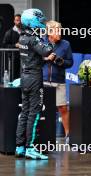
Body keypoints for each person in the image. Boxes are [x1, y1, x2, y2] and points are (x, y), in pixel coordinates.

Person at [15, 9, 54, 160]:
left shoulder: (23, 37)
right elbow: (46, 51)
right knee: (34, 113)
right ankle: (30, 148)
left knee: (24, 112)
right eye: (40, 20)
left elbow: (34, 55)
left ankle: (20, 147)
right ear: (33, 22)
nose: (42, 23)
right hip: (34, 78)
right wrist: (48, 39)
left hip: (24, 77)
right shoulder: (33, 38)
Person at [42, 20, 73, 143]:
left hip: (59, 81)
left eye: (60, 30)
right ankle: (45, 136)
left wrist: (61, 62)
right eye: (57, 30)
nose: (60, 33)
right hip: (43, 81)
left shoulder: (66, 44)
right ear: (49, 32)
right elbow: (35, 59)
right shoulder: (41, 42)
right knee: (44, 109)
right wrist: (46, 58)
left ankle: (68, 135)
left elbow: (70, 62)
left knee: (63, 108)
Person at [2, 14, 22, 79]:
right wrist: (15, 45)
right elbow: (4, 45)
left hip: (24, 57)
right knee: (14, 75)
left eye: (20, 20)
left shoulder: (24, 32)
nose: (19, 22)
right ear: (14, 21)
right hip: (13, 57)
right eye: (17, 20)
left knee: (23, 74)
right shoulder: (9, 32)